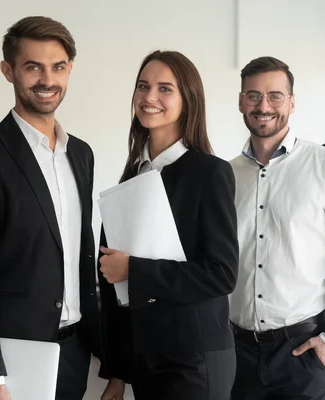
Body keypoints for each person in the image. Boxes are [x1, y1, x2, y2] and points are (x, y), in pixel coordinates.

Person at [0, 16, 101, 400]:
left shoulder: (81, 154)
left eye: (58, 67)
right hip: (12, 356)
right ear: (8, 71)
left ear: (70, 71)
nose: (47, 80)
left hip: (75, 351)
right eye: (33, 67)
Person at [98, 50, 239, 400]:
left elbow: (221, 274)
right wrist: (117, 373)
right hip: (147, 359)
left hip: (194, 358)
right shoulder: (132, 177)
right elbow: (113, 283)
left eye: (165, 89)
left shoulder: (210, 172)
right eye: (143, 86)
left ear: (187, 99)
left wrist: (133, 268)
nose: (149, 97)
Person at [228, 56, 325, 400]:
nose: (264, 106)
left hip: (303, 353)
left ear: (291, 102)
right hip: (237, 354)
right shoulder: (225, 175)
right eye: (253, 95)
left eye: (275, 96)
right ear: (241, 101)